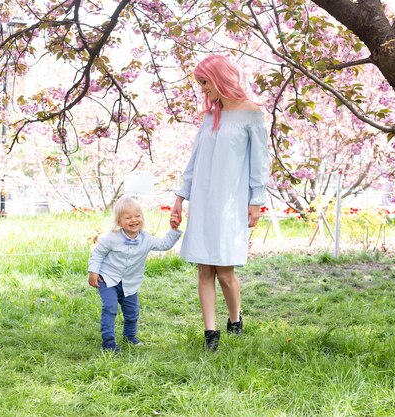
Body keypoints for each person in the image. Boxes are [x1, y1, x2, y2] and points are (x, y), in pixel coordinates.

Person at [170, 54, 269, 352]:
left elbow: (259, 163)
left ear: (220, 77)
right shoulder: (209, 117)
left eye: (204, 82)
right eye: (200, 84)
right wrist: (179, 198)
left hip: (230, 202)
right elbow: (194, 160)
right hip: (203, 200)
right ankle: (210, 334)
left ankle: (235, 320)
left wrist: (256, 201)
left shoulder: (252, 114)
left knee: (225, 273)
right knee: (204, 270)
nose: (202, 89)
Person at [88, 196, 182, 352]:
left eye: (137, 216)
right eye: (128, 217)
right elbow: (98, 254)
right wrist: (93, 271)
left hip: (130, 283)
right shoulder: (111, 238)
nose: (134, 220)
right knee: (110, 307)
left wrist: (173, 230)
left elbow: (164, 245)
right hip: (108, 279)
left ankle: (130, 337)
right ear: (119, 222)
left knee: (132, 313)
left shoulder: (147, 239)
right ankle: (108, 340)